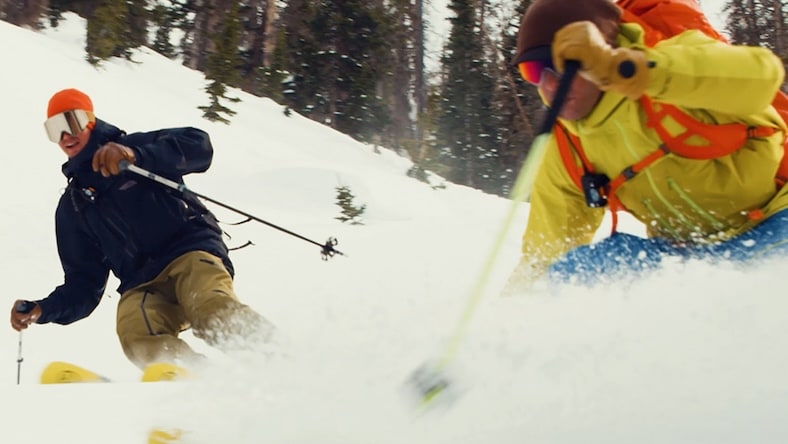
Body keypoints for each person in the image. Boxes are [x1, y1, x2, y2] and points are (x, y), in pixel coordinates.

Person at [504, 0, 788, 291]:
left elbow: (763, 76)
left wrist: (633, 71)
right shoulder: (569, 146)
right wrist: (513, 310)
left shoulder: (671, 64)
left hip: (774, 220)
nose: (550, 85)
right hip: (687, 255)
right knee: (572, 274)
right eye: (534, 71)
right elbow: (544, 256)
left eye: (563, 65)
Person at [9, 88, 273, 369]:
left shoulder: (133, 148)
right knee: (135, 331)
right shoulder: (73, 206)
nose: (65, 136)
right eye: (54, 130)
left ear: (89, 120)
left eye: (71, 123)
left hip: (190, 252)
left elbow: (199, 145)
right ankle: (198, 377)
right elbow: (84, 285)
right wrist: (44, 309)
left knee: (210, 310)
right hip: (141, 282)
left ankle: (279, 358)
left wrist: (137, 155)